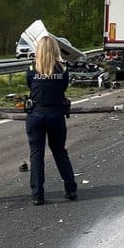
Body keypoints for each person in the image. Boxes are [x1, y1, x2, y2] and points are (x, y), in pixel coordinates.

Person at [25, 35, 78, 206]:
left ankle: (37, 194)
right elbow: (63, 88)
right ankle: (71, 188)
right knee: (59, 151)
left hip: (36, 114)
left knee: (36, 155)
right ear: (56, 50)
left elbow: (29, 85)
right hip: (55, 114)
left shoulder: (32, 68)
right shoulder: (62, 70)